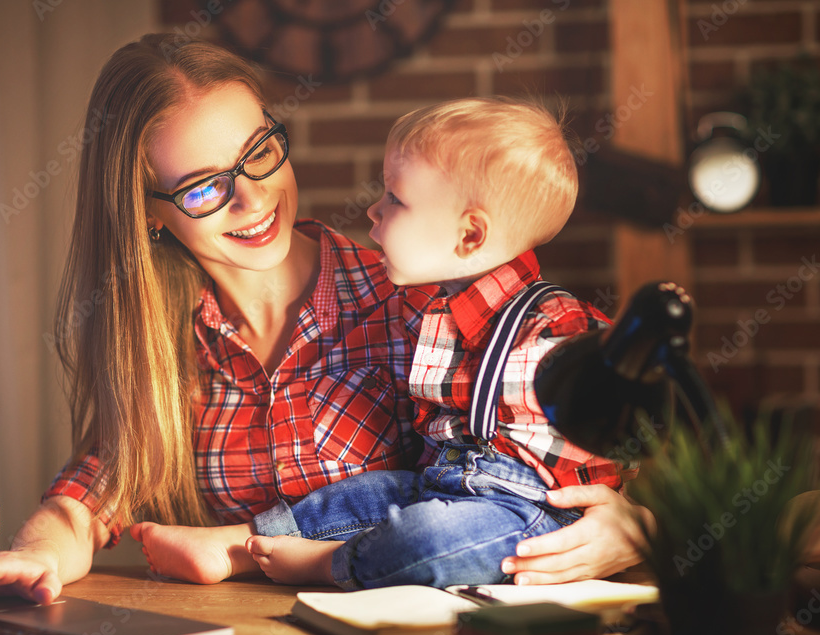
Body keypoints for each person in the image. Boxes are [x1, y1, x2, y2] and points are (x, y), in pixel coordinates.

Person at [0, 34, 647, 605]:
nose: (252, 198)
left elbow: (564, 436)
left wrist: (637, 525)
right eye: (204, 186)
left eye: (258, 152)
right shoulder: (161, 345)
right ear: (148, 212)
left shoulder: (409, 298)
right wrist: (37, 553)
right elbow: (92, 493)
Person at [241, 97, 639, 589]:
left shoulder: (558, 326)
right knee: (363, 493)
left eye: (394, 199)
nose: (372, 209)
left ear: (469, 234)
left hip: (526, 511)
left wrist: (632, 510)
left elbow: (631, 410)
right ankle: (252, 544)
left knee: (426, 538)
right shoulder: (432, 307)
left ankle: (328, 564)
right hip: (442, 485)